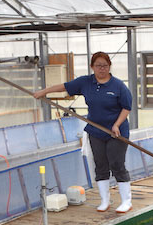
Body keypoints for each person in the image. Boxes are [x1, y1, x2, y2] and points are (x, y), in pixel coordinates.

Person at [33, 52, 133, 213]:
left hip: (117, 132)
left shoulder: (118, 86)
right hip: (95, 131)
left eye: (105, 66)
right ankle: (105, 201)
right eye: (98, 65)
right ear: (92, 67)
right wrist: (43, 92)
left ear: (109, 67)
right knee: (100, 165)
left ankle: (126, 201)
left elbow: (127, 107)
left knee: (117, 164)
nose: (102, 69)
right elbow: (64, 87)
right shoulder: (86, 82)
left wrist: (116, 124)